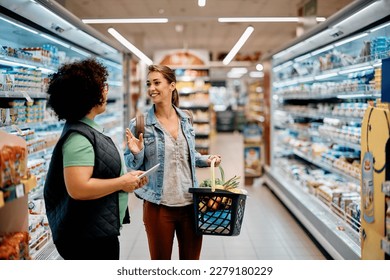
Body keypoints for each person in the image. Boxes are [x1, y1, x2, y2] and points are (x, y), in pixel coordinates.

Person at [43, 58, 148, 260]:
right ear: (88, 94)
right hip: (86, 238)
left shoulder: (87, 130)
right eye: (103, 86)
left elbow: (99, 173)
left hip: (95, 230)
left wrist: (127, 178)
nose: (106, 91)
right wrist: (121, 183)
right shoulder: (78, 138)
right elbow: (78, 188)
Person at [124, 64, 222, 260]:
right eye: (149, 83)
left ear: (172, 86)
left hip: (190, 204)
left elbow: (187, 155)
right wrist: (137, 152)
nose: (152, 88)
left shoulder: (186, 119)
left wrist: (205, 159)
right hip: (159, 207)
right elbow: (132, 167)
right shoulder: (140, 124)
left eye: (157, 82)